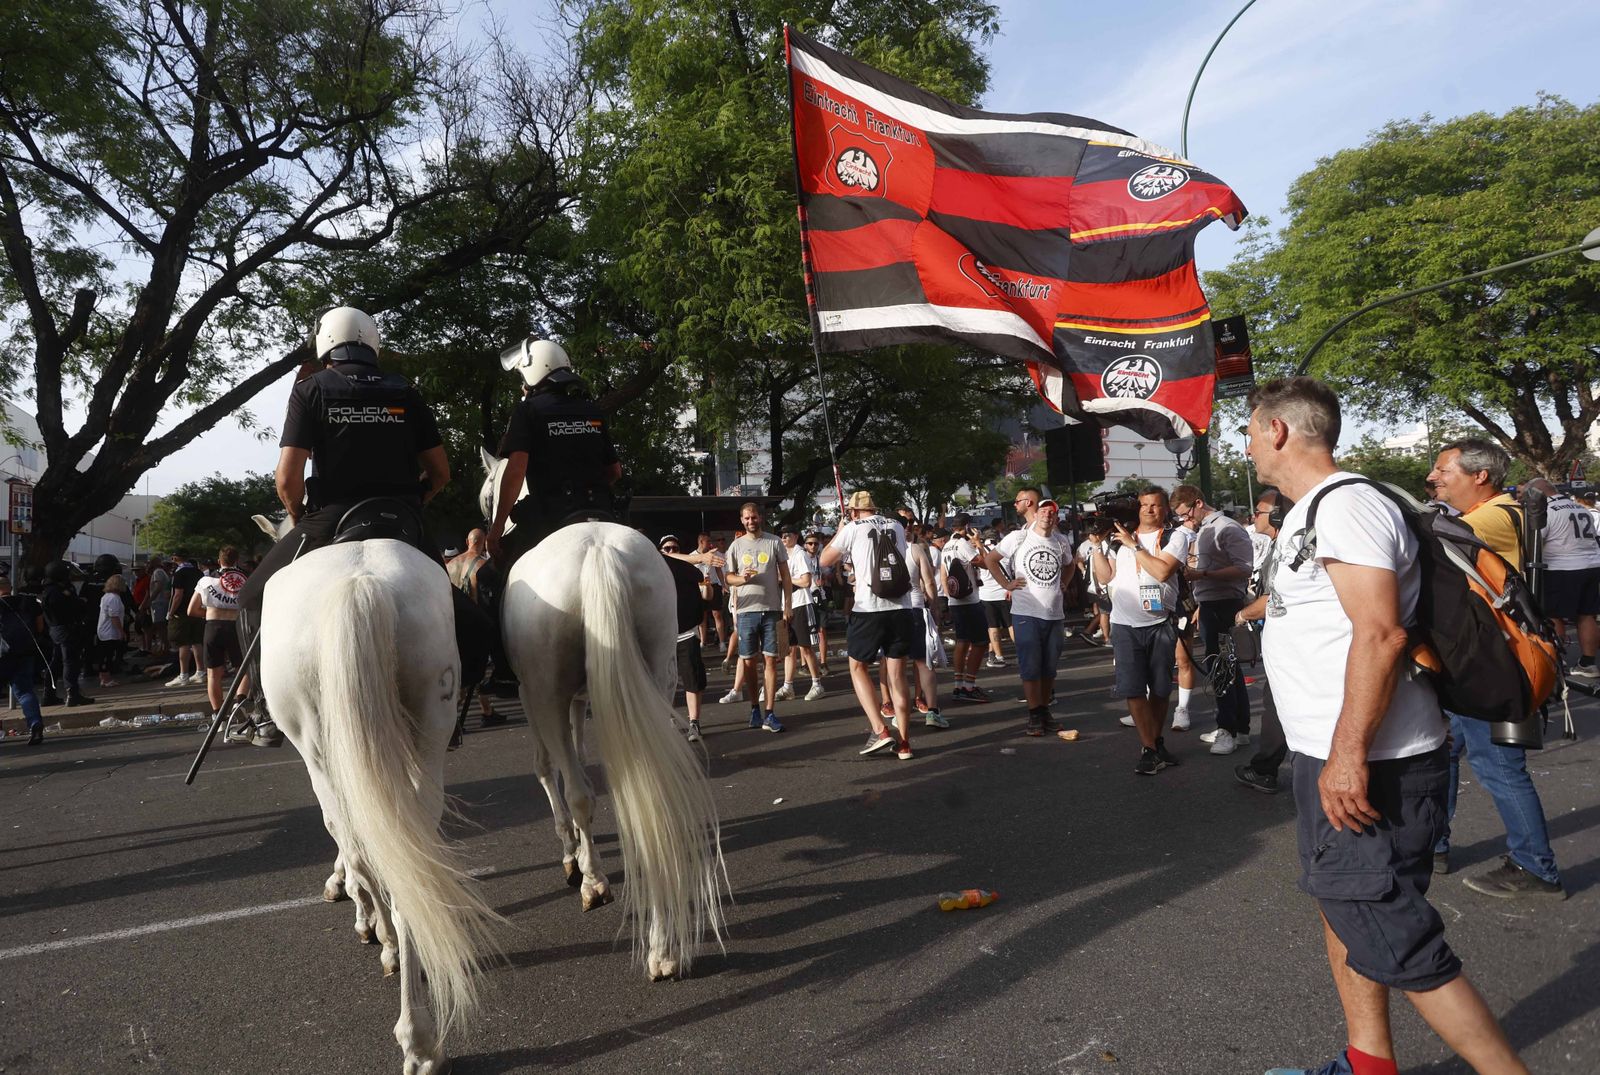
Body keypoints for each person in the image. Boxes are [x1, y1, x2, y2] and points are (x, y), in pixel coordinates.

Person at [1249, 376, 1528, 1075]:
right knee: (1345, 907)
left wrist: (1348, 756)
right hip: (1334, 754)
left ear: (1279, 431)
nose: (1247, 445)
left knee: (1395, 933)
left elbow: (1380, 635)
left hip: (1375, 761)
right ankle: (1368, 1064)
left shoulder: (1347, 507)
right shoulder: (1312, 511)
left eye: (1251, 430)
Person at [236, 306, 452, 748]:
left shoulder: (311, 388)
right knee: (456, 605)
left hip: (333, 516)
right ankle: (451, 707)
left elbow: (286, 478)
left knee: (250, 598)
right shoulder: (406, 391)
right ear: (372, 344)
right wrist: (415, 502)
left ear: (326, 346)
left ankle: (261, 707)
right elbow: (441, 472)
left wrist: (298, 516)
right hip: (401, 516)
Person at [1423, 439, 1564, 898]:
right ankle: (1435, 844)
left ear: (1479, 476)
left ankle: (1536, 867)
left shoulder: (1489, 519)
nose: (1432, 478)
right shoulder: (1504, 513)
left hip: (1497, 663)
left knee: (1500, 767)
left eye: (1444, 471)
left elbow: (1425, 538)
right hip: (1486, 658)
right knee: (1445, 752)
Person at [487, 337, 621, 569]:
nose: (522, 386)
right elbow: (615, 472)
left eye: (522, 379)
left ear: (533, 373)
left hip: (550, 515)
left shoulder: (527, 410)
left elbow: (516, 472)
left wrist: (496, 528)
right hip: (602, 510)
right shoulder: (591, 410)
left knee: (490, 577)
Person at [1092, 489, 1192, 775]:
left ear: (1165, 510)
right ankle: (1149, 748)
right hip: (1125, 623)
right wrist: (1097, 547)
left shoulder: (1176, 537)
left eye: (1156, 506)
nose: (1149, 510)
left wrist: (1135, 546)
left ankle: (1156, 744)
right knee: (1134, 689)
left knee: (1160, 689)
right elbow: (1105, 577)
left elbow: (1162, 572)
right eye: (1144, 505)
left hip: (1160, 623)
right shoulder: (1119, 538)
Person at [820, 491, 919, 759]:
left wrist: (839, 531)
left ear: (853, 512)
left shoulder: (852, 527)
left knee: (857, 666)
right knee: (898, 676)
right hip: (901, 606)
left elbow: (825, 560)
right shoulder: (897, 525)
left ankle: (880, 730)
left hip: (869, 608)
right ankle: (905, 743)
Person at [1171, 483, 1256, 754]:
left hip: (1224, 604)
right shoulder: (1206, 529)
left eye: (1186, 514)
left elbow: (1244, 569)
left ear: (1198, 503)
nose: (1185, 521)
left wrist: (1203, 576)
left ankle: (1228, 730)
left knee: (1221, 667)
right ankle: (1238, 728)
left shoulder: (1227, 527)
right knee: (1228, 667)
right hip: (1211, 603)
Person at [987, 498, 1076, 735]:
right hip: (1026, 612)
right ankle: (1034, 714)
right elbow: (990, 559)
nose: (1047, 515)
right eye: (1043, 511)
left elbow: (1070, 565)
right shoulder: (1019, 537)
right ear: (1035, 515)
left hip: (1054, 614)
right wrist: (1007, 583)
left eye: (1052, 512)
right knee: (1031, 667)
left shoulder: (1061, 542)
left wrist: (1065, 583)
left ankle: (1044, 711)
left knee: (1049, 668)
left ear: (1056, 518)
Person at [1232, 488, 1291, 794]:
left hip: (1291, 647)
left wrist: (1244, 614)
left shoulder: (1286, 546)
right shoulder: (1276, 544)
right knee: (1276, 704)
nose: (1252, 516)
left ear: (1277, 516)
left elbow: (1275, 596)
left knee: (1276, 705)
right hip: (1283, 643)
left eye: (1258, 511)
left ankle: (1265, 769)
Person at [1521, 476, 1600, 677]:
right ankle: (1588, 663)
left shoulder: (1545, 510)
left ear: (1535, 493)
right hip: (1591, 564)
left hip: (1560, 567)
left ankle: (1556, 661)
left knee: (1552, 615)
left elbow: (1536, 540)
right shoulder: (1580, 508)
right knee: (1586, 614)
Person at [725, 503, 791, 734]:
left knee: (771, 661)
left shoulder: (774, 542)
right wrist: (742, 579)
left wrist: (788, 606)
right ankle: (755, 708)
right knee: (749, 662)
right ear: (741, 520)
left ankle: (770, 713)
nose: (751, 521)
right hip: (745, 611)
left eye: (754, 517)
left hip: (772, 609)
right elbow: (728, 578)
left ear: (760, 518)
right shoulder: (736, 546)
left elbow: (785, 575)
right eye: (746, 518)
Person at [658, 535, 723, 742]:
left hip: (686, 632)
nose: (670, 551)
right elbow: (663, 557)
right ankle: (666, 718)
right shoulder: (653, 568)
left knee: (692, 679)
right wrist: (701, 558)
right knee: (662, 680)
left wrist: (708, 586)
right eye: (667, 548)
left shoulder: (689, 570)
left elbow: (707, 597)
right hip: (660, 635)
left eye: (674, 547)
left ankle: (694, 722)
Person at [446, 529, 505, 730]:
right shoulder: (483, 565)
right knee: (469, 678)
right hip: (474, 627)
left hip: (452, 623)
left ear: (467, 541)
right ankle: (450, 721)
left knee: (468, 676)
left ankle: (486, 712)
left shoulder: (450, 565)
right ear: (484, 543)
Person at [186, 546, 252, 723]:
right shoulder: (246, 579)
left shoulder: (207, 580)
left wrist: (209, 613)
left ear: (219, 560)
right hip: (236, 627)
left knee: (213, 674)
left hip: (213, 627)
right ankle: (239, 704)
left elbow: (191, 610)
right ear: (237, 560)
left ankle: (218, 715)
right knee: (244, 670)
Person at [943, 514, 993, 703]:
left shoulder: (947, 545)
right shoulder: (964, 544)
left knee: (962, 641)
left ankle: (958, 685)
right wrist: (978, 544)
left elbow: (942, 571)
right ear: (968, 526)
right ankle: (969, 686)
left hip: (955, 600)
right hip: (969, 600)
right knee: (980, 642)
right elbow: (985, 564)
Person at [777, 527, 825, 702]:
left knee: (805, 647)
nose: (784, 537)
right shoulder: (782, 555)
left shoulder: (800, 554)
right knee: (788, 649)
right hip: (784, 605)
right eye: (782, 535)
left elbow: (806, 581)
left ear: (796, 536)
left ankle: (817, 683)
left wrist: (784, 580)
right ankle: (788, 686)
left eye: (788, 534)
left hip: (801, 604)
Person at [0, 574, 47, 745]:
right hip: (25, 652)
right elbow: (40, 627)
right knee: (25, 691)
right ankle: (35, 723)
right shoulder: (29, 602)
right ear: (10, 587)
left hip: (3, 655)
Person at [39, 561, 93, 707]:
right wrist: (80, 603)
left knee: (56, 662)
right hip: (66, 629)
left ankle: (48, 694)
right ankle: (72, 694)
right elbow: (70, 608)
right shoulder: (57, 592)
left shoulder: (48, 590)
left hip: (55, 630)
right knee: (70, 662)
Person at [166, 552, 206, 687]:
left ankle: (184, 674)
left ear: (176, 558)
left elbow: (178, 595)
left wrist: (171, 612)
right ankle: (200, 671)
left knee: (183, 643)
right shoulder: (198, 572)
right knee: (197, 641)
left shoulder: (179, 573)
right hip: (196, 610)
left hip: (182, 612)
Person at [96, 573, 129, 688]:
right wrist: (121, 631)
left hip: (103, 630)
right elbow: (113, 616)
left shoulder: (106, 596)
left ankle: (103, 677)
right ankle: (106, 678)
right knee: (108, 655)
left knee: (104, 655)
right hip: (109, 631)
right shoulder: (114, 598)